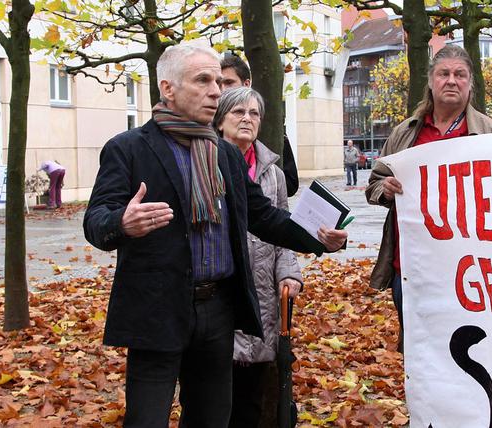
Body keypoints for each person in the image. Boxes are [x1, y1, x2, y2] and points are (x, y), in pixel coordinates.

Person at [83, 42, 347, 428]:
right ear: (168, 88)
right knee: (146, 420)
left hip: (217, 311)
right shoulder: (129, 149)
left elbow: (263, 217)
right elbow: (96, 221)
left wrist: (317, 239)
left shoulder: (224, 154)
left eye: (219, 83)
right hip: (157, 309)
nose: (215, 92)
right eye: (203, 81)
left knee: (211, 419)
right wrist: (122, 223)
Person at [365, 45, 492, 352]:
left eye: (460, 74)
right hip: (411, 270)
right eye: (444, 74)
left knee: (471, 351)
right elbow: (373, 183)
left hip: (471, 271)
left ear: (470, 83)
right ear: (431, 81)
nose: (451, 81)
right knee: (419, 355)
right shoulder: (405, 134)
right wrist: (384, 188)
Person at [211, 87, 302, 427]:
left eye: (254, 113)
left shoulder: (274, 174)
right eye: (238, 112)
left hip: (263, 295)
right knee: (214, 399)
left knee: (252, 399)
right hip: (221, 294)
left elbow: (281, 231)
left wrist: (289, 273)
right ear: (220, 121)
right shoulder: (205, 163)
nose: (247, 119)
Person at [221, 53, 300, 196]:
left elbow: (289, 183)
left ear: (246, 84)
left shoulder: (266, 127)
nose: (222, 89)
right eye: (218, 83)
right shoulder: (207, 149)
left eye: (228, 83)